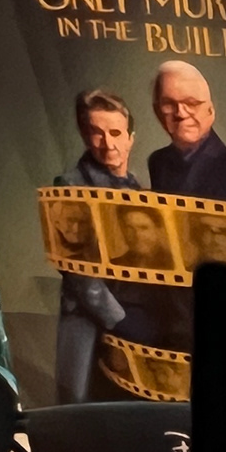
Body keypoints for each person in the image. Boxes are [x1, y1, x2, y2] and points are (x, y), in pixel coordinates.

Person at [50, 88, 134, 404]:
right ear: (85, 136)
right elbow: (78, 272)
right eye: (97, 133)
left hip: (132, 321)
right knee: (84, 410)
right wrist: (121, 320)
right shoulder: (70, 185)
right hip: (91, 321)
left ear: (131, 138)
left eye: (115, 133)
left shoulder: (137, 187)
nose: (108, 143)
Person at [146, 63, 226, 199]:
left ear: (210, 112)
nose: (181, 113)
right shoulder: (158, 161)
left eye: (191, 103)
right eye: (169, 104)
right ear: (157, 112)